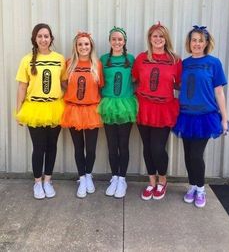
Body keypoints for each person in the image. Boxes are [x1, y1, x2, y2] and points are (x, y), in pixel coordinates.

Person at [173, 25, 229, 208]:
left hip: (205, 117)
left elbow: (219, 92)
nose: (197, 43)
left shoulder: (214, 63)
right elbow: (180, 85)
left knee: (196, 155)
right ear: (189, 43)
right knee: (188, 155)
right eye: (194, 40)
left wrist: (224, 118)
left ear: (206, 43)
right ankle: (191, 186)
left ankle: (201, 189)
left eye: (201, 40)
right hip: (186, 116)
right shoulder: (184, 63)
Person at [15, 23, 67, 199]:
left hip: (55, 107)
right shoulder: (26, 60)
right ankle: (37, 182)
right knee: (39, 147)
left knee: (52, 146)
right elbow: (22, 87)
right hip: (34, 108)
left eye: (46, 36)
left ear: (51, 39)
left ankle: (48, 180)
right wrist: (18, 110)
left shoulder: (60, 59)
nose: (43, 39)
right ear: (34, 39)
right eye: (40, 36)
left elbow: (65, 83)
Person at [132, 22, 182, 200]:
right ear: (150, 38)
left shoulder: (175, 60)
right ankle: (151, 182)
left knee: (158, 148)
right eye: (155, 36)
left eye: (161, 36)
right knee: (147, 147)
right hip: (144, 108)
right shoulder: (141, 58)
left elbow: (179, 84)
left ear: (166, 38)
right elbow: (135, 80)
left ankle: (162, 181)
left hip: (163, 109)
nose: (158, 39)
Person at [61, 31, 104, 198]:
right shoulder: (69, 63)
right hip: (73, 110)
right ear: (76, 47)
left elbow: (100, 85)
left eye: (86, 44)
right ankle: (81, 177)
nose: (83, 47)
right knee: (78, 147)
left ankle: (88, 175)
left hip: (92, 110)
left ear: (91, 46)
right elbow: (64, 82)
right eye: (80, 44)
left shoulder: (96, 65)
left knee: (91, 148)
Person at [98, 26, 138, 198]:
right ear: (109, 41)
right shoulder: (103, 59)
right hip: (108, 105)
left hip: (126, 105)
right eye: (113, 39)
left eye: (120, 39)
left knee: (124, 143)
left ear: (124, 42)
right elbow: (99, 82)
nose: (117, 42)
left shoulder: (130, 59)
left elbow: (136, 80)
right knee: (111, 144)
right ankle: (114, 176)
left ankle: (122, 179)